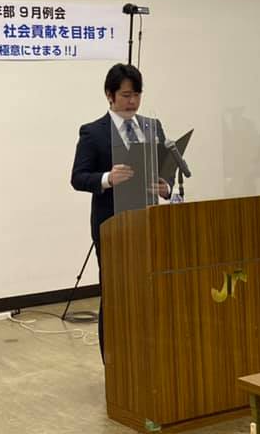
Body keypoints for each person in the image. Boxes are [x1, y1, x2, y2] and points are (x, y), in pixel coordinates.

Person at [70, 63, 170, 357]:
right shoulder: (93, 132)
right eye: (126, 95)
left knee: (150, 291)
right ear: (109, 95)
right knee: (115, 295)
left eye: (137, 95)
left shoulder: (152, 127)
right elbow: (78, 177)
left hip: (149, 222)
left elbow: (166, 170)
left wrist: (166, 188)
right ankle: (113, 362)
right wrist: (107, 179)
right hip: (112, 225)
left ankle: (148, 354)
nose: (132, 102)